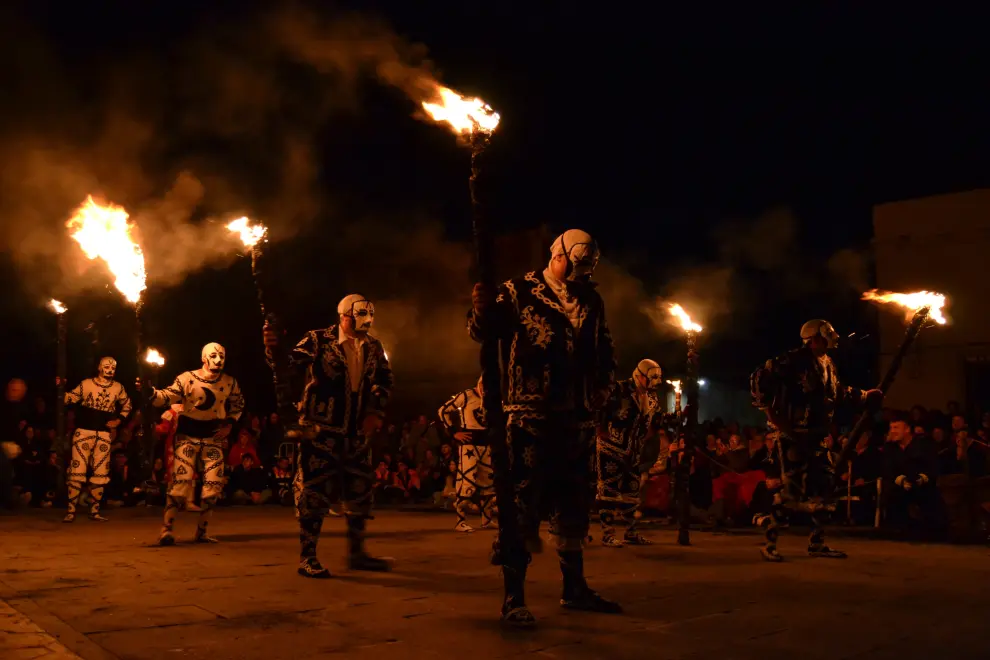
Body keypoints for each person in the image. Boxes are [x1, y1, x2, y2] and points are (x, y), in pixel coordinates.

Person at [469, 228, 621, 627]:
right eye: (577, 266)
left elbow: (605, 348)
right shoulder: (518, 290)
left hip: (578, 416)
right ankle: (513, 597)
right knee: (522, 502)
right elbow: (484, 332)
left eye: (587, 269)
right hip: (529, 413)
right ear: (559, 256)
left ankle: (574, 588)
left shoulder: (592, 298)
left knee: (574, 501)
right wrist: (480, 309)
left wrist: (603, 386)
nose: (582, 275)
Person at [263, 294, 394, 578]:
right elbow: (287, 366)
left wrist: (377, 410)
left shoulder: (373, 346)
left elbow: (385, 379)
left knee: (360, 490)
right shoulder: (318, 340)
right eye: (359, 316)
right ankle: (307, 556)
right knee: (315, 491)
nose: (366, 323)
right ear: (344, 315)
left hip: (356, 431)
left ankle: (357, 553)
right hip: (321, 428)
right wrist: (274, 349)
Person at [750, 319, 883, 562]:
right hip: (794, 437)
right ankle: (769, 544)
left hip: (818, 437)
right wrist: (771, 414)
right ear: (815, 337)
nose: (833, 337)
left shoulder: (828, 363)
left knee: (826, 489)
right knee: (791, 492)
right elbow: (759, 377)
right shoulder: (792, 360)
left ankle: (817, 543)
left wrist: (865, 396)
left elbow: (838, 391)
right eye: (828, 333)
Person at [143, 342, 245, 546]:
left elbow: (239, 405)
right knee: (181, 484)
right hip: (188, 436)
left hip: (213, 438)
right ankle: (167, 529)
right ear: (204, 358)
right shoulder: (187, 378)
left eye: (222, 356)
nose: (218, 360)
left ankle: (202, 532)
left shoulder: (230, 382)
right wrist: (151, 392)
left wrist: (230, 425)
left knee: (213, 488)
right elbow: (167, 396)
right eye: (214, 356)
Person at [597, 359, 663, 547]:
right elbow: (600, 410)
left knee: (631, 492)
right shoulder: (619, 389)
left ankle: (631, 532)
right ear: (640, 375)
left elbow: (653, 423)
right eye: (651, 377)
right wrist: (602, 432)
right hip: (611, 447)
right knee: (608, 491)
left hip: (633, 452)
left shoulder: (652, 397)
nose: (654, 382)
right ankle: (607, 533)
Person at [62, 357, 133, 522]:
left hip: (103, 434)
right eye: (106, 367)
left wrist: (118, 421)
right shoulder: (86, 384)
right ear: (100, 368)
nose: (110, 370)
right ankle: (71, 511)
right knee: (77, 468)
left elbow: (127, 405)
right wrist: (60, 387)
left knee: (101, 471)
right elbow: (68, 398)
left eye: (113, 367)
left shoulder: (118, 388)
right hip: (83, 432)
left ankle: (94, 511)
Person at [438, 377, 496, 532]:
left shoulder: (492, 398)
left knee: (488, 483)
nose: (485, 388)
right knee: (467, 481)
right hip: (469, 445)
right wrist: (454, 432)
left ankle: (486, 519)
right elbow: (443, 411)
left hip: (486, 445)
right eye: (483, 384)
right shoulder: (466, 395)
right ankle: (460, 521)